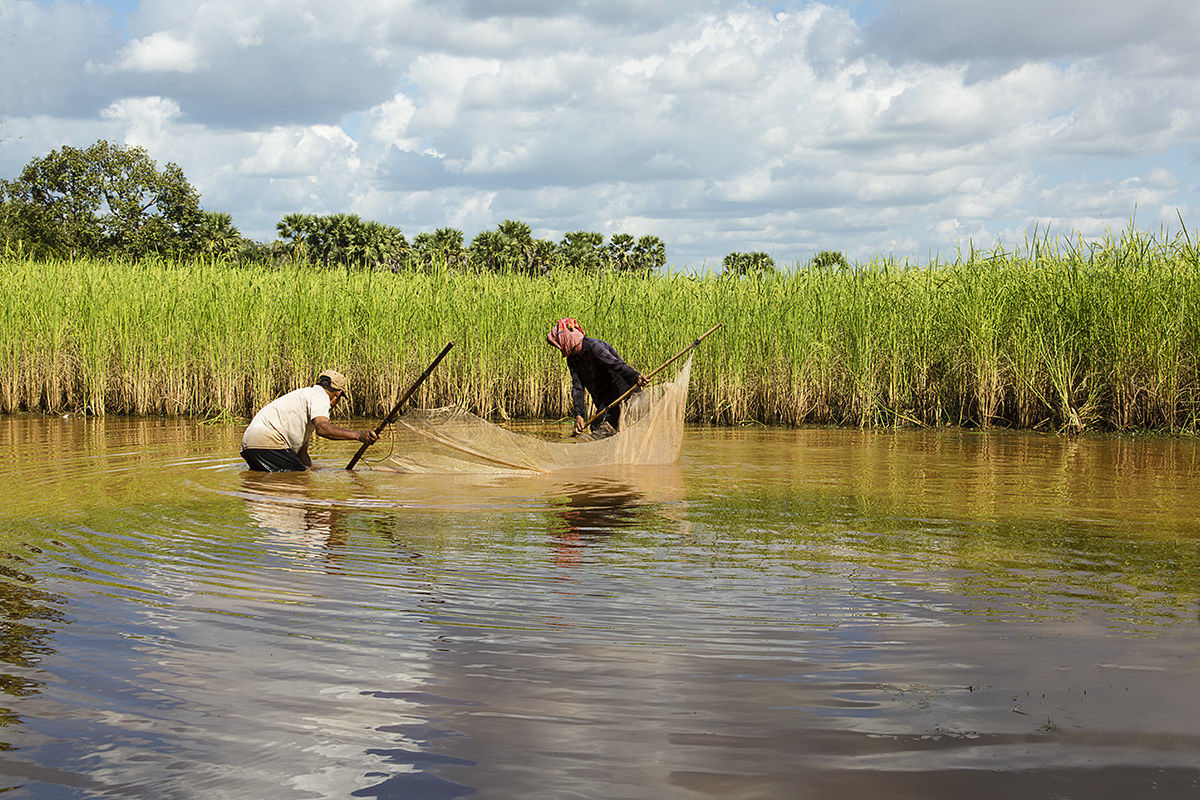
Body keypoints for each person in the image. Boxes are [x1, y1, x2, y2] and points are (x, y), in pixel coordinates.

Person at [240, 370, 378, 471]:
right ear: (337, 395)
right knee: (299, 484)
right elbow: (322, 429)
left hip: (250, 444)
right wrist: (359, 435)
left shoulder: (304, 395)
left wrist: (309, 471)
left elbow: (302, 454)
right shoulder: (320, 396)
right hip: (269, 442)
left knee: (291, 478)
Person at [546, 318, 649, 436]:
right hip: (604, 399)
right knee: (596, 429)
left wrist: (636, 376)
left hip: (622, 393)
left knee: (602, 430)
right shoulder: (572, 359)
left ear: (567, 340)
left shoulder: (594, 347)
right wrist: (579, 415)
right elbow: (577, 387)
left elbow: (616, 365)